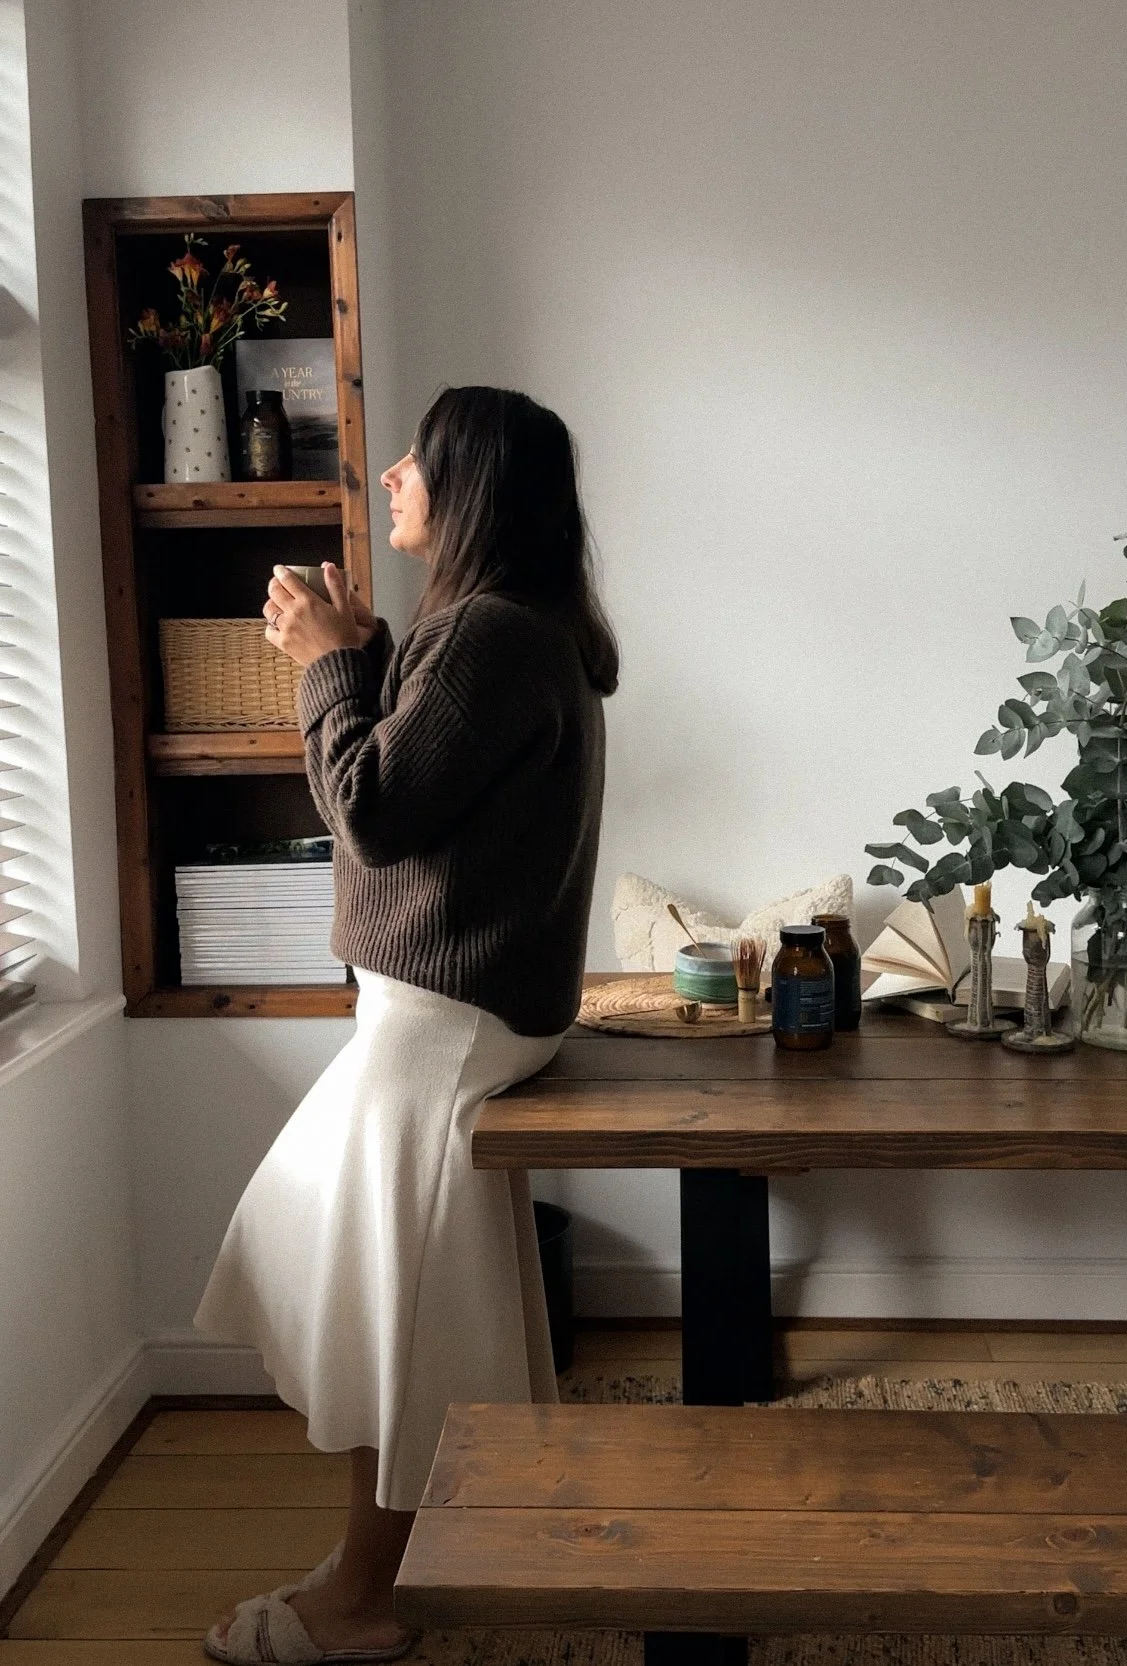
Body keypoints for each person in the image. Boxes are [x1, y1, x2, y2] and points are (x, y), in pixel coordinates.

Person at [198, 386, 618, 1665]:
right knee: (397, 1299)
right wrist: (369, 657)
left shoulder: (490, 635)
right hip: (461, 1014)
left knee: (395, 1313)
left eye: (418, 461)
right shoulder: (513, 629)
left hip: (439, 1025)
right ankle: (392, 1558)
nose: (390, 475)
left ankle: (371, 1603)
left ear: (470, 487)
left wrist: (327, 662)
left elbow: (374, 806)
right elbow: (435, 790)